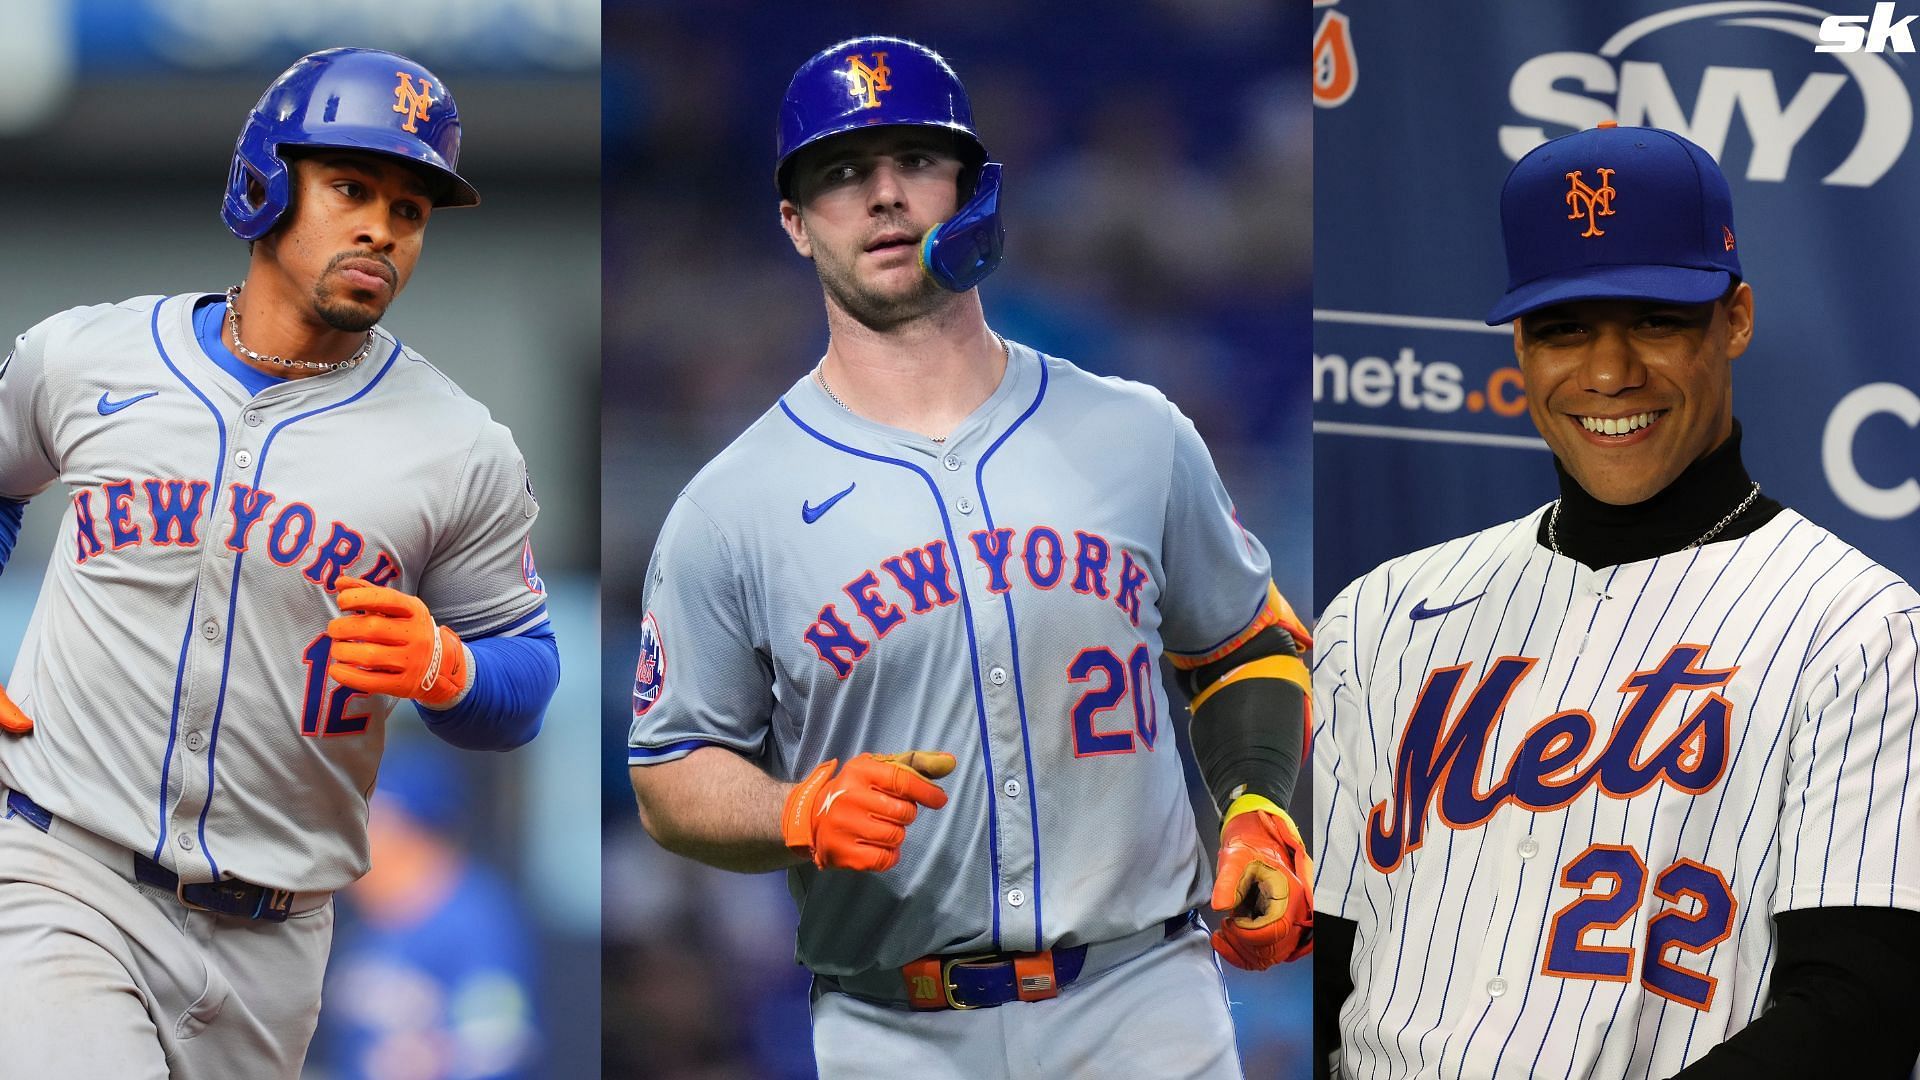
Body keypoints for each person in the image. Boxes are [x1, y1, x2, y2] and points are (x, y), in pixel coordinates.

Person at [626, 36, 1312, 1078]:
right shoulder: (730, 505)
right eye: (844, 173)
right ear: (795, 222)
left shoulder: (1134, 432)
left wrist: (1258, 804)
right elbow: (671, 771)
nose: (886, 196)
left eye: (916, 160)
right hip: (892, 1023)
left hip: (1143, 999)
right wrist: (792, 811)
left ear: (973, 189)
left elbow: (1248, 641)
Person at [1311, 123, 1920, 1079]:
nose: (1608, 373)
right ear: (1520, 341)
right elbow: (1327, 967)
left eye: (1655, 318)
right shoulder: (1381, 613)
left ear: (1737, 317)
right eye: (1565, 328)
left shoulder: (1858, 625)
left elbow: (1862, 1005)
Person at [0, 48, 559, 1078]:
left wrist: (450, 669)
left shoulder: (460, 446)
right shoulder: (84, 359)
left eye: (410, 210)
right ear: (264, 179)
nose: (381, 229)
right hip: (63, 871)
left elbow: (524, 678)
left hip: (277, 938)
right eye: (352, 188)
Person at [316, 742, 539, 1080]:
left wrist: (437, 1059)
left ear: (416, 833)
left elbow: (501, 1047)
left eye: (369, 821)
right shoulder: (365, 929)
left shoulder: (476, 920)